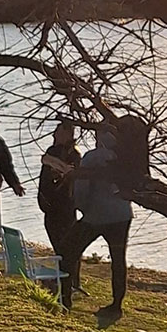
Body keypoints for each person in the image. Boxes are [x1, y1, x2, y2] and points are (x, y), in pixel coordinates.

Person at [62, 122, 132, 312]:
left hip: (96, 215)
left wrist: (82, 208)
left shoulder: (91, 158)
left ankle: (65, 296)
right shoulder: (126, 159)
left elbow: (82, 190)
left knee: (68, 251)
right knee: (118, 259)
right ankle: (117, 303)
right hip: (122, 215)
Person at [37, 122, 80, 288]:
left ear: (67, 134)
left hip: (65, 207)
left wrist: (56, 166)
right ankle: (65, 278)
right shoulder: (52, 151)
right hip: (50, 207)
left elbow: (72, 176)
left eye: (58, 132)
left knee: (67, 244)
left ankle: (69, 280)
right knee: (58, 243)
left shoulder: (74, 155)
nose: (54, 135)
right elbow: (46, 163)